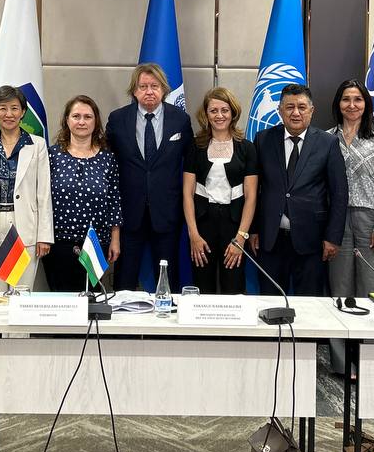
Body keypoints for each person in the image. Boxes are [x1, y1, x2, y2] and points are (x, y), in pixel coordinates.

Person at [327, 79, 374, 375]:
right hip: (337, 221)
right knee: (340, 291)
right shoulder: (328, 138)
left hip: (371, 220)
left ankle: (373, 360)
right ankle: (342, 364)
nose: (352, 105)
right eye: (346, 99)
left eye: (358, 99)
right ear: (338, 104)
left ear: (366, 104)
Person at [251, 84, 347, 296]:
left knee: (309, 304)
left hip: (312, 241)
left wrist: (333, 237)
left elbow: (339, 194)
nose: (296, 113)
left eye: (302, 107)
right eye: (289, 107)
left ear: (311, 111)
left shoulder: (328, 143)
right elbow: (255, 190)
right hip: (270, 240)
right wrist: (254, 229)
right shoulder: (263, 139)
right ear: (280, 110)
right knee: (271, 303)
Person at [105, 63, 194, 291]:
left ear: (164, 89)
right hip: (129, 214)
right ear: (134, 91)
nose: (149, 91)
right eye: (143, 86)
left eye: (154, 86)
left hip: (167, 213)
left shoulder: (180, 120)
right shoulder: (117, 119)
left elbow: (191, 163)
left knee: (168, 281)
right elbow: (107, 162)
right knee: (124, 281)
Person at [0, 85, 54, 291]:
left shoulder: (37, 145)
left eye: (14, 108)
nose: (9, 114)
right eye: (2, 108)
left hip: (25, 224)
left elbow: (43, 193)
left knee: (20, 291)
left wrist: (44, 235)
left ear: (23, 112)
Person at [182, 87, 257, 294]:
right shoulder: (195, 146)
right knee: (202, 285)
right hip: (202, 225)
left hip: (234, 225)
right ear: (206, 114)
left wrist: (241, 237)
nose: (219, 115)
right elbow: (187, 193)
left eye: (224, 110)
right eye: (213, 110)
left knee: (233, 286)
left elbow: (251, 197)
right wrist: (193, 235)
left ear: (233, 112)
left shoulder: (247, 148)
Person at [46, 95, 122, 293]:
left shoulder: (108, 158)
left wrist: (115, 239)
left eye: (88, 117)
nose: (81, 122)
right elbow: (42, 199)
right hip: (59, 243)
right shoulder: (52, 156)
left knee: (91, 299)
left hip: (96, 243)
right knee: (62, 301)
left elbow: (114, 201)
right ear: (66, 120)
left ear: (95, 122)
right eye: (76, 116)